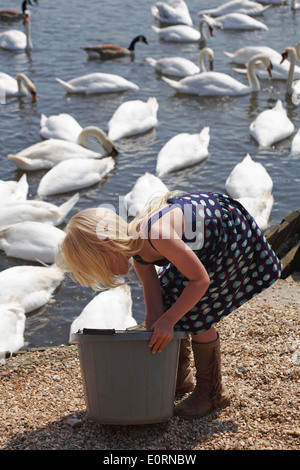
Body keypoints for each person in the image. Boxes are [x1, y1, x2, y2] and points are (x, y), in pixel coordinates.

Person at [56, 190, 282, 419]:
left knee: (196, 312)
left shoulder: (156, 235)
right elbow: (154, 299)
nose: (105, 274)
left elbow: (201, 280)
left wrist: (169, 320)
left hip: (229, 232)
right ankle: (178, 377)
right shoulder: (138, 252)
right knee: (170, 300)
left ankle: (212, 392)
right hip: (202, 242)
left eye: (100, 266)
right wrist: (155, 321)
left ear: (108, 247)